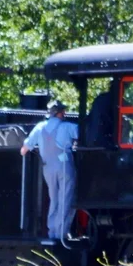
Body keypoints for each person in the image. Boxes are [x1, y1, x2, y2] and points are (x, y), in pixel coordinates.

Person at [21, 99, 78, 242]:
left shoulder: (40, 127)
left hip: (48, 168)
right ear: (60, 113)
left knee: (54, 200)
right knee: (66, 199)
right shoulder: (67, 127)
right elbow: (84, 136)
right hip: (64, 166)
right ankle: (62, 234)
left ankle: (52, 232)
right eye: (63, 111)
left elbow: (24, 149)